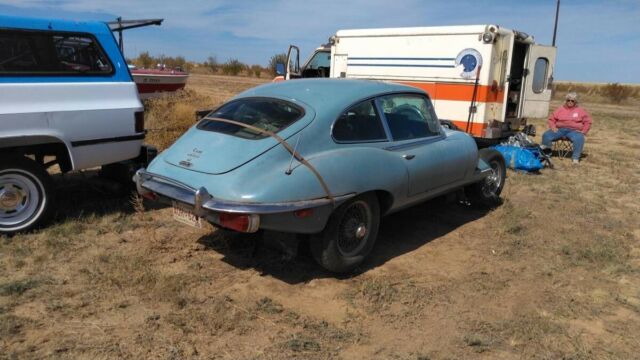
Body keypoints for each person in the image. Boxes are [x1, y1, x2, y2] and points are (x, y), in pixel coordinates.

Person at [540, 92, 593, 165]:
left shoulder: (580, 110)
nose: (570, 102)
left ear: (575, 102)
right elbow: (551, 119)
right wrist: (553, 127)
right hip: (559, 130)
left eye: (572, 100)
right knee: (546, 135)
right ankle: (546, 156)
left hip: (573, 131)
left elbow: (588, 122)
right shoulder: (560, 109)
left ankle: (575, 159)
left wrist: (583, 131)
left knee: (579, 138)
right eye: (568, 100)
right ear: (566, 100)